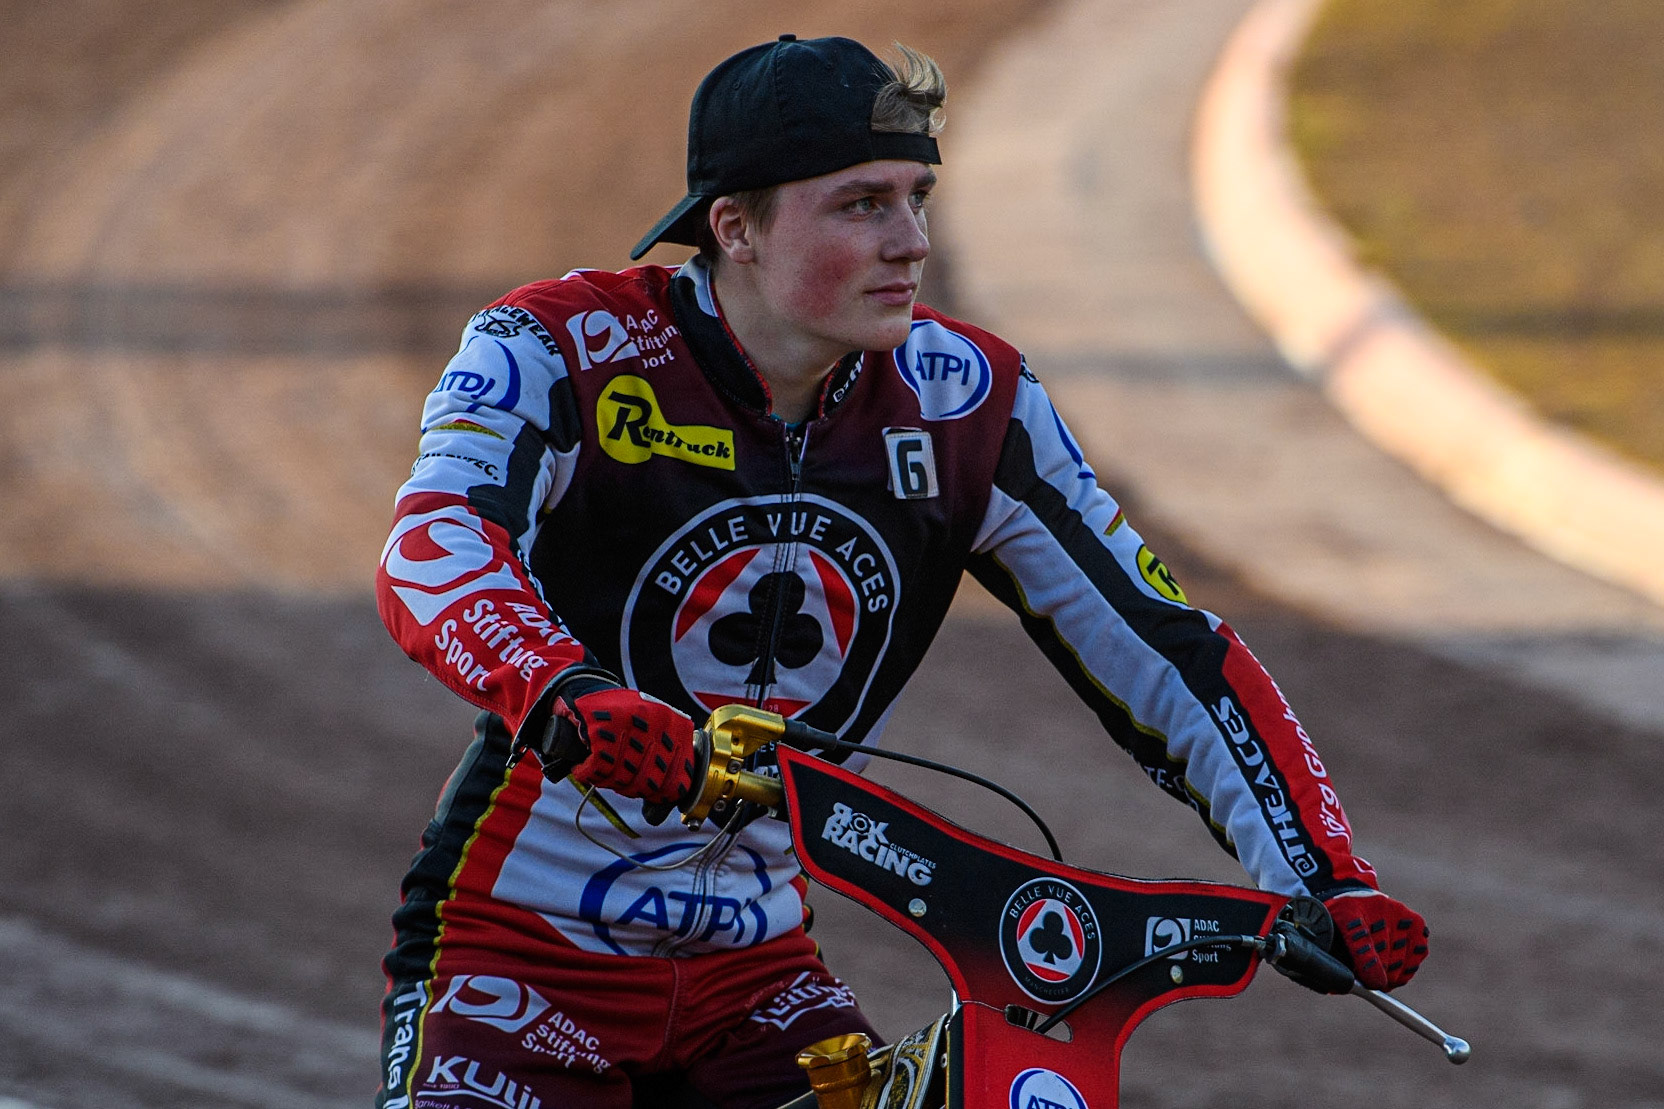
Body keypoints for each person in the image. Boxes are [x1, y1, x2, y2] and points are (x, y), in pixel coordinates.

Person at [373, 34, 1429, 1109]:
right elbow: (433, 546)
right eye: (861, 204)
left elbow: (1163, 650)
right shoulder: (554, 344)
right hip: (511, 958)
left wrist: (1322, 872)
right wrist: (566, 692)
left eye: (917, 196)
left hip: (758, 978)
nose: (912, 242)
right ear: (733, 226)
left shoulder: (969, 400)